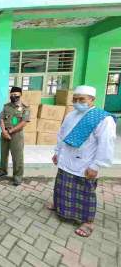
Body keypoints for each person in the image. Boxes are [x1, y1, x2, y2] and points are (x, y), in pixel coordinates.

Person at [47, 85, 116, 237]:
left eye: (82, 99)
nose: (77, 102)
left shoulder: (103, 118)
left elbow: (106, 143)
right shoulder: (71, 115)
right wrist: (57, 152)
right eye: (75, 99)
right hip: (66, 158)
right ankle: (60, 208)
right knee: (62, 186)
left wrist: (96, 165)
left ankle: (87, 222)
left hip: (86, 163)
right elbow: (61, 135)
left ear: (92, 100)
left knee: (85, 193)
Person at [0, 86, 30, 185]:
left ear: (20, 95)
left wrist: (10, 131)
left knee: (17, 156)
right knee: (3, 154)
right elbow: (1, 119)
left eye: (16, 95)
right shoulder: (6, 106)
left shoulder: (25, 107)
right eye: (12, 94)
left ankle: (17, 176)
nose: (13, 96)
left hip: (17, 135)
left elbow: (24, 122)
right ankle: (3, 170)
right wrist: (4, 131)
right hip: (4, 133)